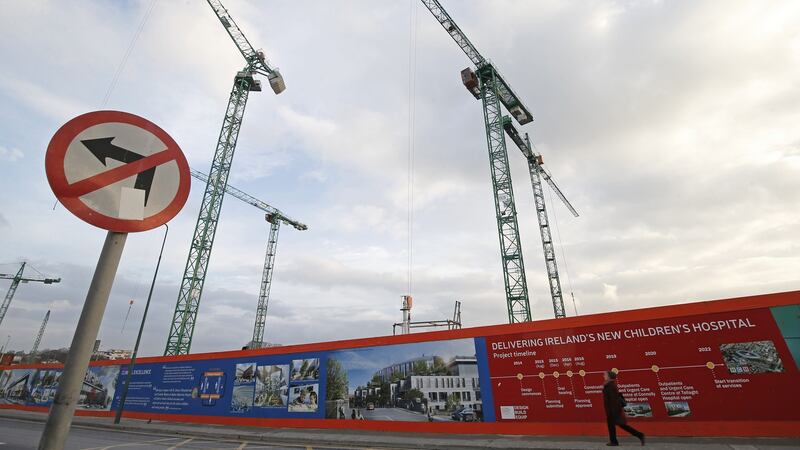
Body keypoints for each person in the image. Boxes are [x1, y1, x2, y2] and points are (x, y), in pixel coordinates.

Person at [603, 370, 645, 446]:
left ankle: (639, 435)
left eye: (605, 375)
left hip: (613, 410)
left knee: (621, 425)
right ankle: (614, 441)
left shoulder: (610, 385)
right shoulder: (609, 385)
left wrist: (612, 411)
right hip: (612, 410)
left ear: (609, 376)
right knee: (614, 426)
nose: (603, 376)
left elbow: (613, 400)